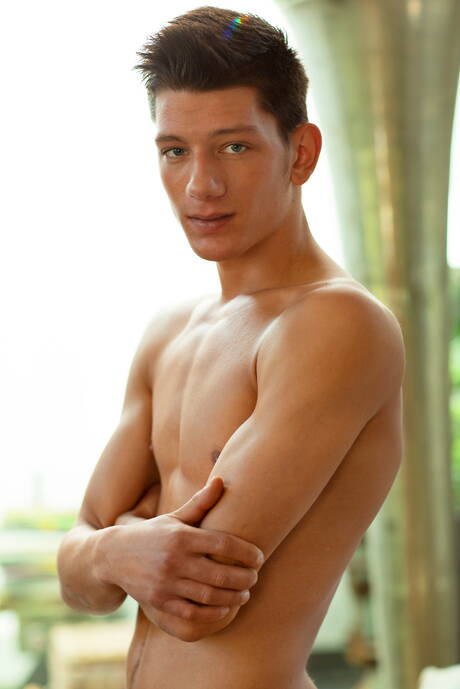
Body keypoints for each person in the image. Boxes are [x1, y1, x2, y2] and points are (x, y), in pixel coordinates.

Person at [56, 6, 406, 689]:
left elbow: (194, 602)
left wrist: (107, 542)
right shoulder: (169, 333)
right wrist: (114, 551)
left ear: (300, 153)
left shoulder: (336, 323)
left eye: (234, 147)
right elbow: (81, 583)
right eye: (175, 151)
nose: (200, 185)